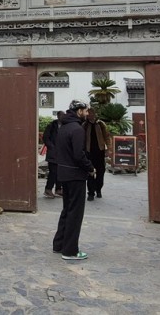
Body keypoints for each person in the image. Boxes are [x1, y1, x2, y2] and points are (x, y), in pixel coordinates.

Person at [52, 99, 95, 261]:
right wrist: (90, 168)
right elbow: (79, 155)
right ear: (79, 111)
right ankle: (70, 251)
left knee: (67, 210)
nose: (87, 113)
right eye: (85, 110)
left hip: (63, 174)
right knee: (75, 213)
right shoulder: (77, 129)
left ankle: (59, 244)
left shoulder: (63, 127)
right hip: (76, 175)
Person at [83, 108, 110, 201]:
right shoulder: (85, 125)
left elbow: (107, 136)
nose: (89, 115)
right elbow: (82, 138)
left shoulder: (100, 124)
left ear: (94, 114)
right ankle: (90, 193)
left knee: (100, 172)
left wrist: (108, 149)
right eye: (88, 113)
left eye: (91, 113)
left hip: (100, 151)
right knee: (90, 172)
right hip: (89, 152)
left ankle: (98, 189)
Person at [42, 111, 65, 198]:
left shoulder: (65, 126)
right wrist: (51, 146)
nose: (63, 117)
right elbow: (45, 137)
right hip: (53, 153)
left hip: (61, 153)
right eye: (61, 115)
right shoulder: (52, 125)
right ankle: (48, 189)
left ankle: (58, 189)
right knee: (53, 172)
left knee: (60, 172)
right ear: (58, 116)